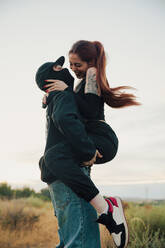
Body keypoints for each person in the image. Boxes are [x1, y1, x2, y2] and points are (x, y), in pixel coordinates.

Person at [42, 40, 140, 248]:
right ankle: (107, 207)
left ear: (90, 62)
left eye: (78, 64)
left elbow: (89, 109)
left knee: (53, 157)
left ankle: (107, 209)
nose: (73, 69)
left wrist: (66, 91)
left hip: (101, 138)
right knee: (51, 159)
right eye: (70, 64)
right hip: (90, 137)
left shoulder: (93, 74)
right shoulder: (80, 81)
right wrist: (52, 97)